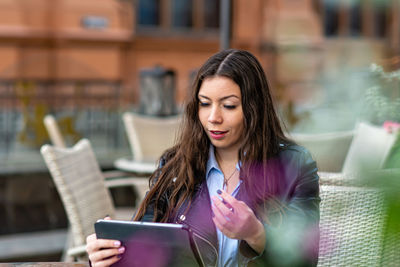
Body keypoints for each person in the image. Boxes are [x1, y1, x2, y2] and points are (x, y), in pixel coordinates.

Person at [86, 49, 320, 267]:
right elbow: (145, 246)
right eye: (204, 104)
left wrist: (256, 233)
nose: (213, 117)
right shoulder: (176, 165)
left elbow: (305, 258)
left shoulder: (294, 165)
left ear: (254, 109)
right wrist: (108, 255)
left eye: (229, 106)